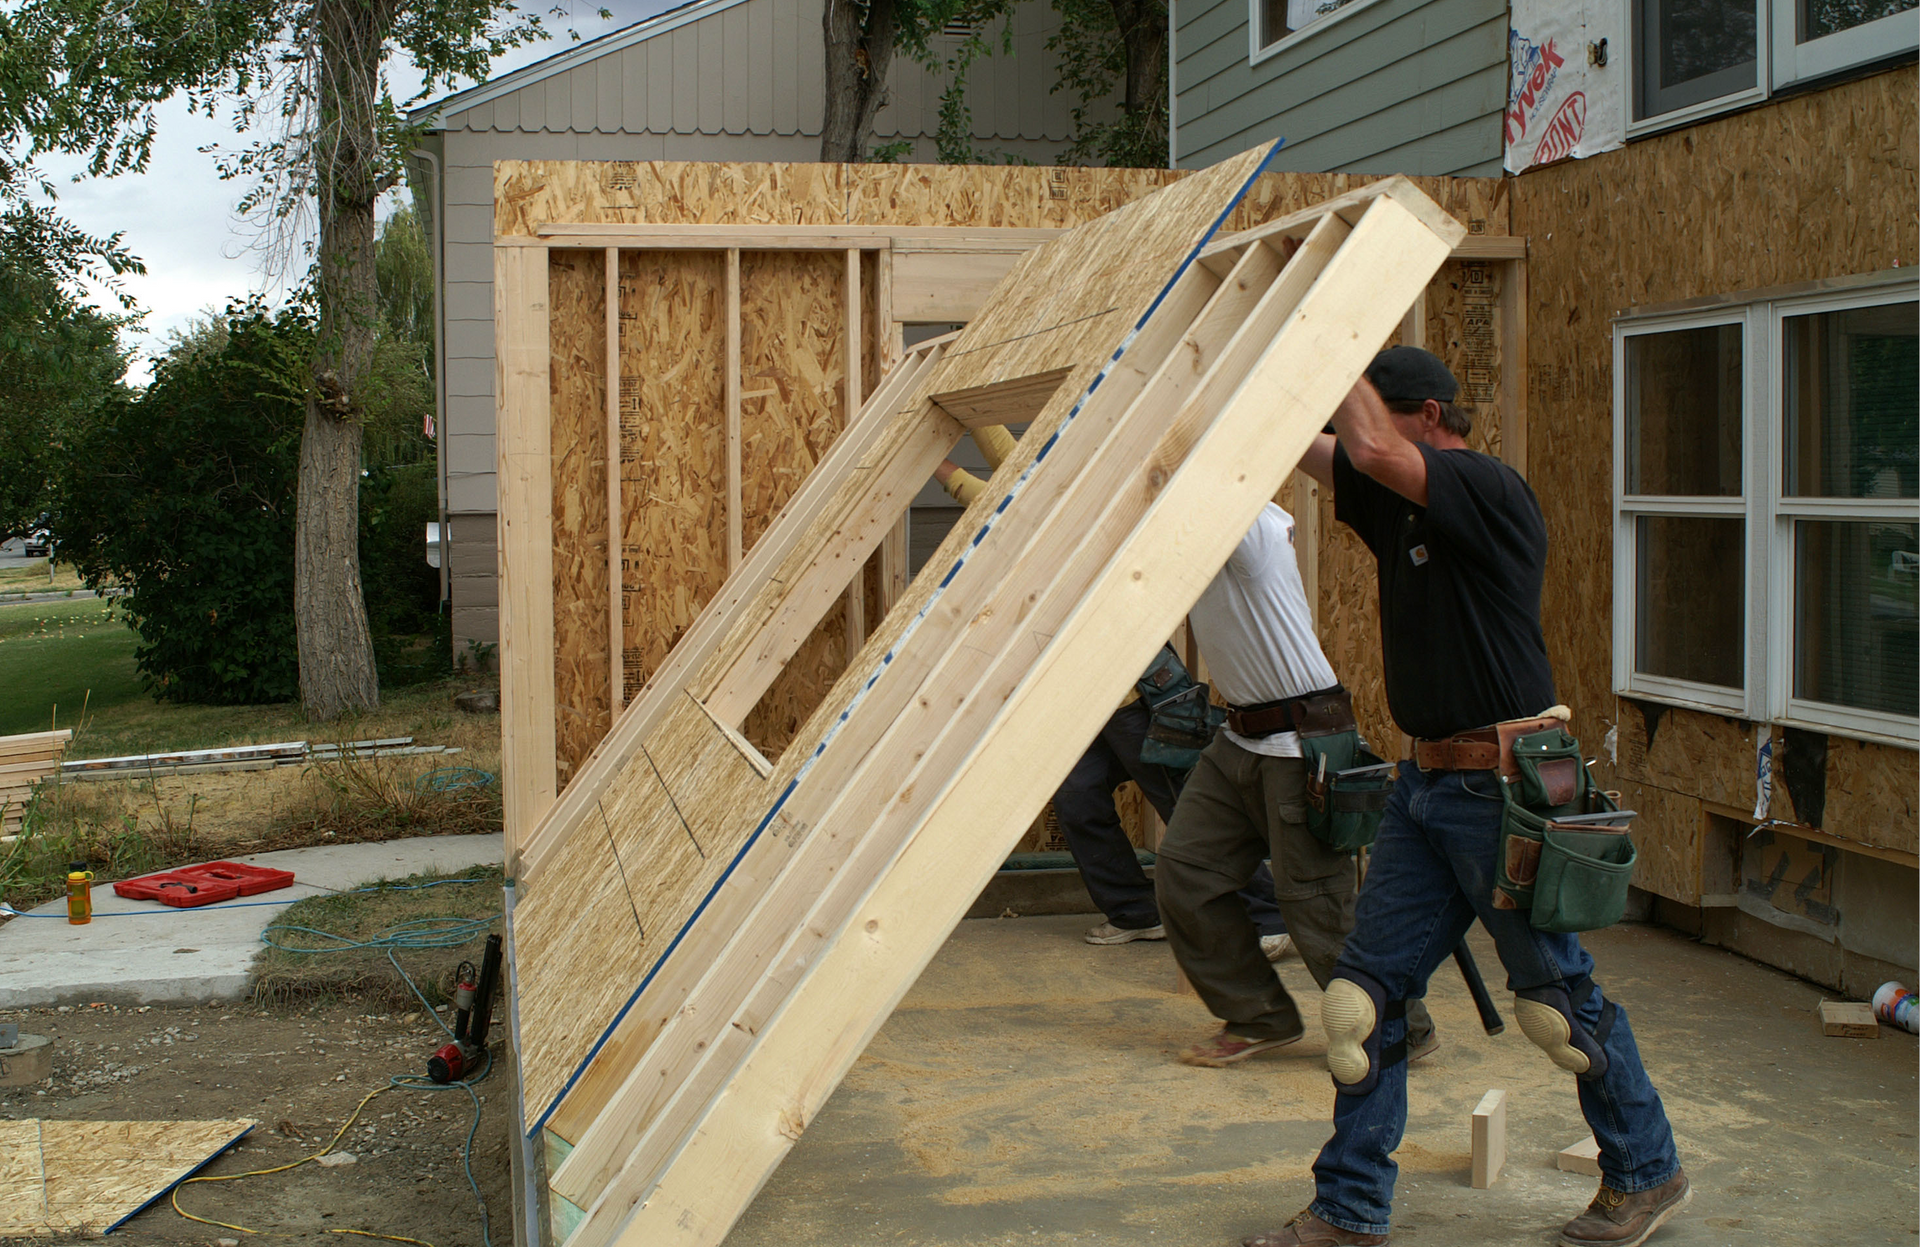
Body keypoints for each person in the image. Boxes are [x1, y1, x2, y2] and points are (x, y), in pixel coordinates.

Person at [1246, 347, 1685, 1247]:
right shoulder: (1393, 497)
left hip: (1501, 787)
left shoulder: (1485, 486)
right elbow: (1323, 447)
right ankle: (1349, 1205)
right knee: (1359, 1003)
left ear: (1433, 415)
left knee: (1557, 1005)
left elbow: (1363, 448)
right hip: (1424, 785)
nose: (1359, 440)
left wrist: (1332, 330)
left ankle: (1648, 1169)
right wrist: (1274, 355)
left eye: (1384, 419)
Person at [933, 456, 1294, 958]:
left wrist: (937, 458)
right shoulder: (1039, 524)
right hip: (1087, 706)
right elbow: (1004, 463)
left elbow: (982, 486)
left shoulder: (1068, 521)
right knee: (1078, 798)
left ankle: (1269, 913)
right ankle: (1135, 911)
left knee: (1185, 805)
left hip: (1137, 700)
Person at [1152, 500, 1435, 1069]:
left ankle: (1397, 1024)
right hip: (1237, 739)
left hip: (1299, 742)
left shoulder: (1247, 525)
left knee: (1315, 903)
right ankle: (1259, 1015)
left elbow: (1202, 474)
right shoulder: (1183, 540)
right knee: (1184, 872)